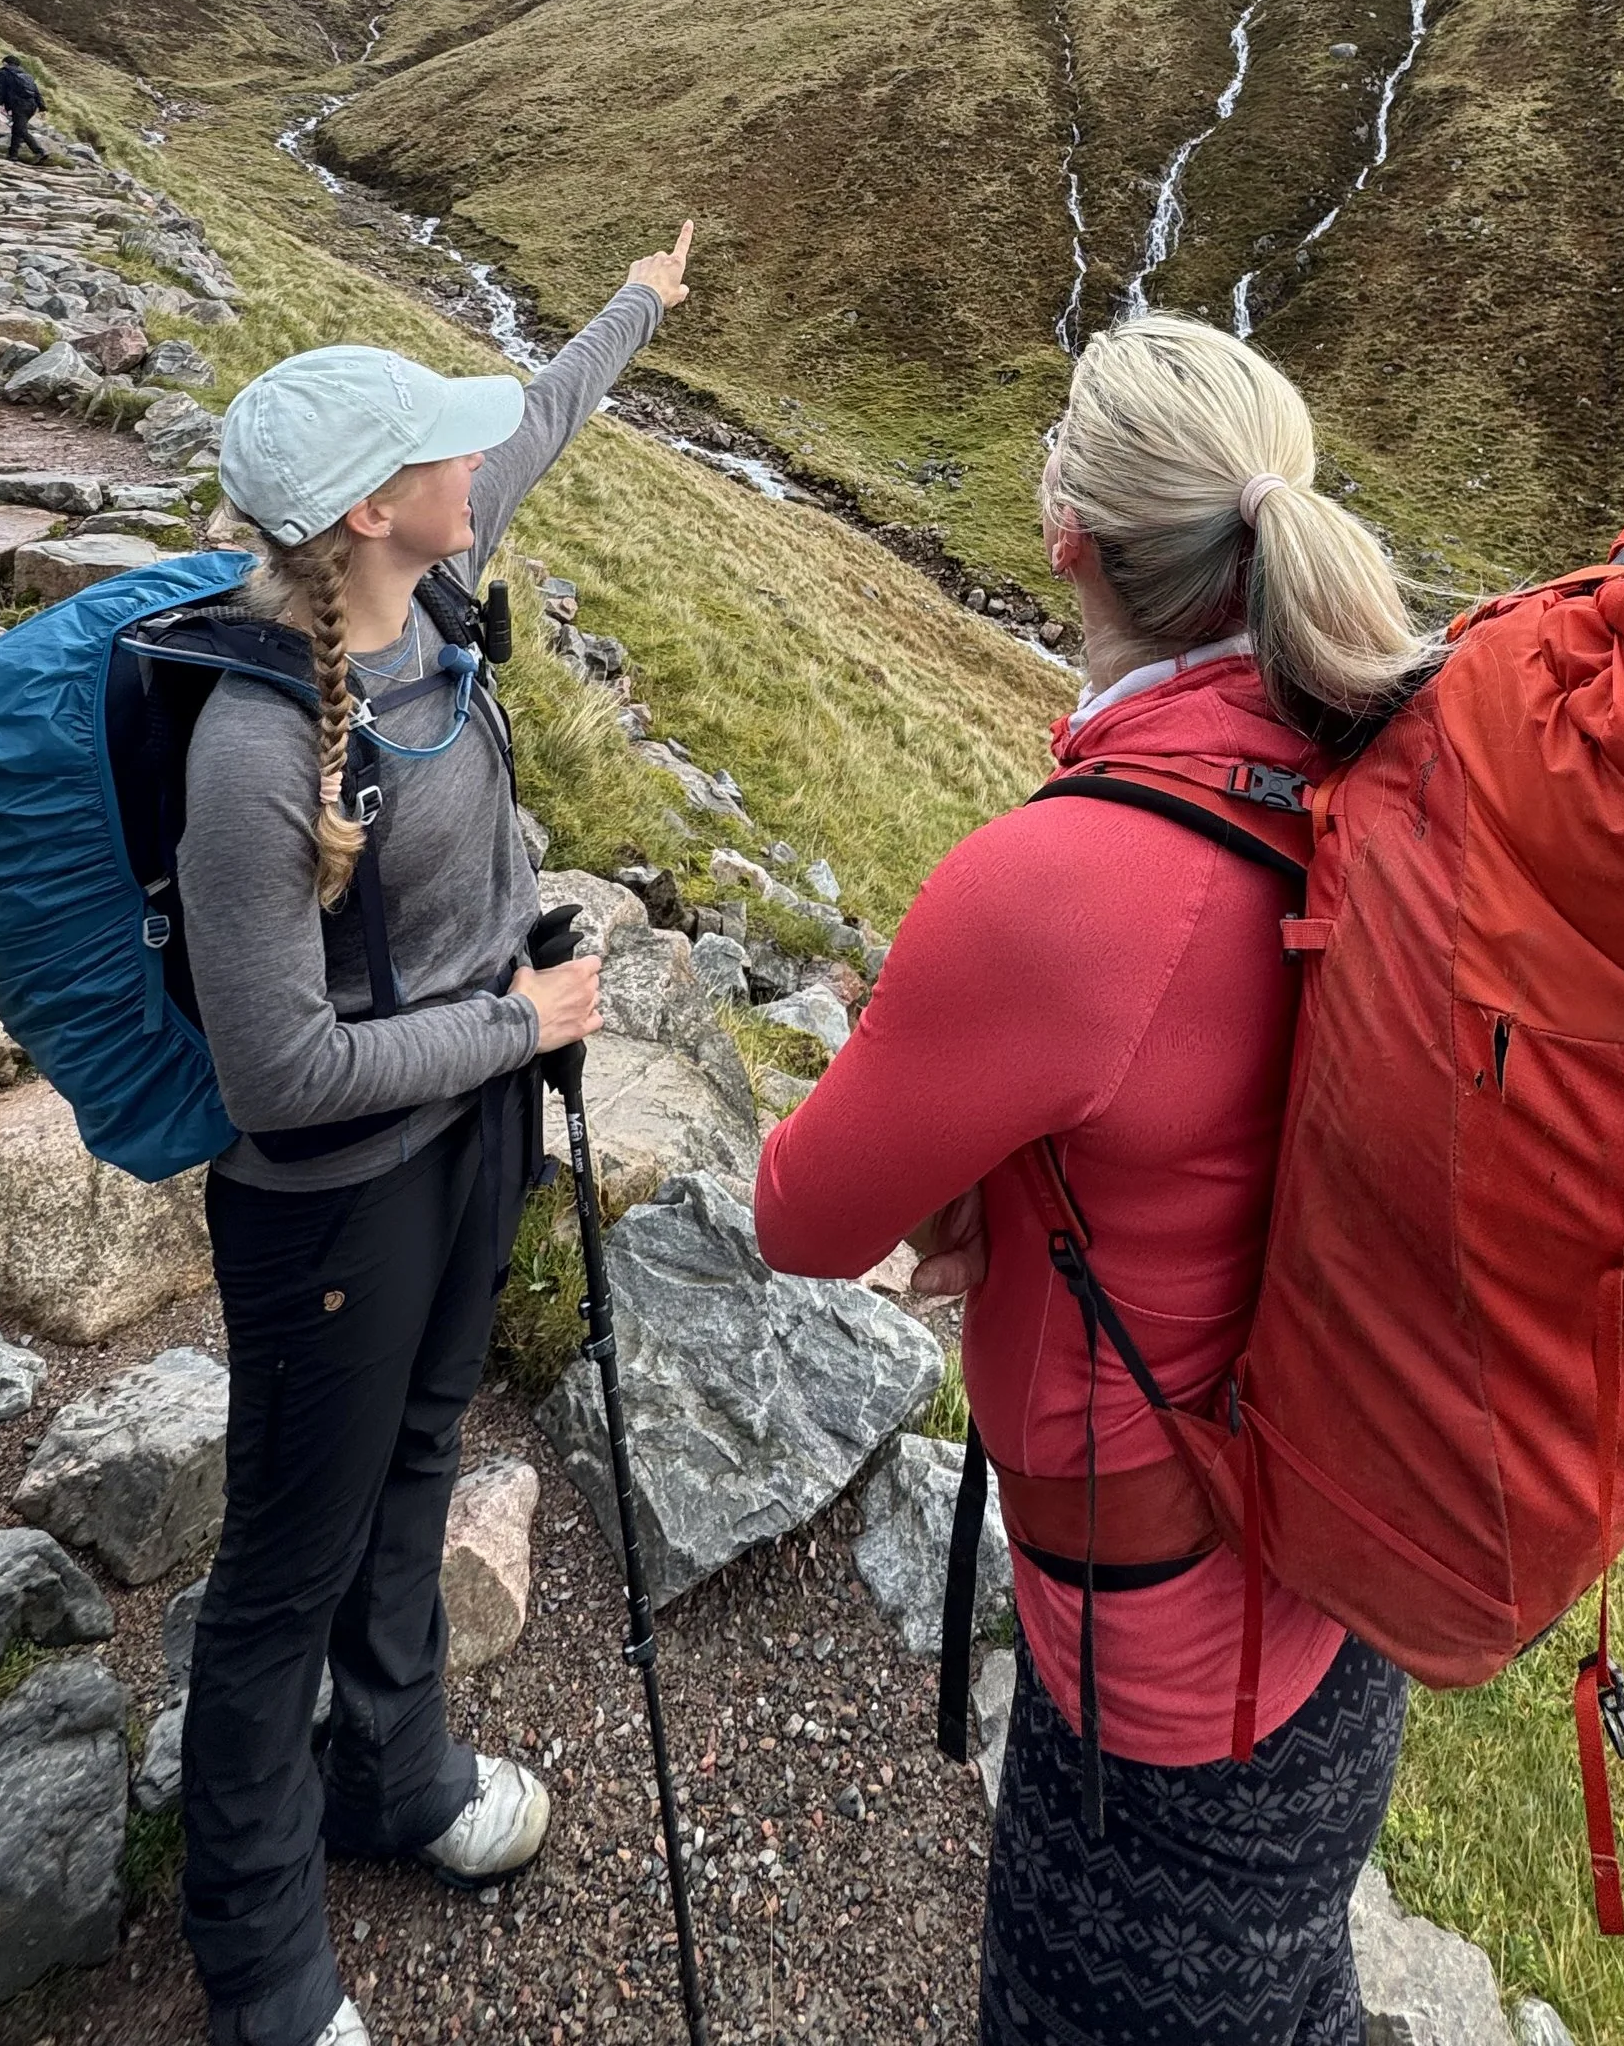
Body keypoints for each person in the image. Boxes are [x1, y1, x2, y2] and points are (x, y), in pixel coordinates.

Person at [754, 312, 1435, 2046]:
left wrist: (974, 1160)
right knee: (1290, 1993)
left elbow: (801, 1214)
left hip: (1167, 1666)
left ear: (1068, 525)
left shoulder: (1066, 882)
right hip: (1330, 1582)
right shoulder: (1360, 770)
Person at [177, 222, 692, 2046]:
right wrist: (522, 1019)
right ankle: (258, 1960)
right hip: (331, 1203)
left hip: (467, 1146)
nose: (485, 457)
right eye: (445, 448)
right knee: (278, 1567)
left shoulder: (435, 594)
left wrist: (640, 302)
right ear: (376, 508)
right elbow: (276, 1074)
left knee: (416, 1463)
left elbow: (540, 413)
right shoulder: (254, 756)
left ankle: (393, 1771)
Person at [0, 53, 47, 163]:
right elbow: (36, 92)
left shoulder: (3, 72)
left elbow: (0, 89)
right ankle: (13, 155)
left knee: (21, 130)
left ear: (5, 63)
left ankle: (39, 151)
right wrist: (42, 107)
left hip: (18, 104)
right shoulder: (27, 76)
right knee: (17, 129)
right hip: (31, 105)